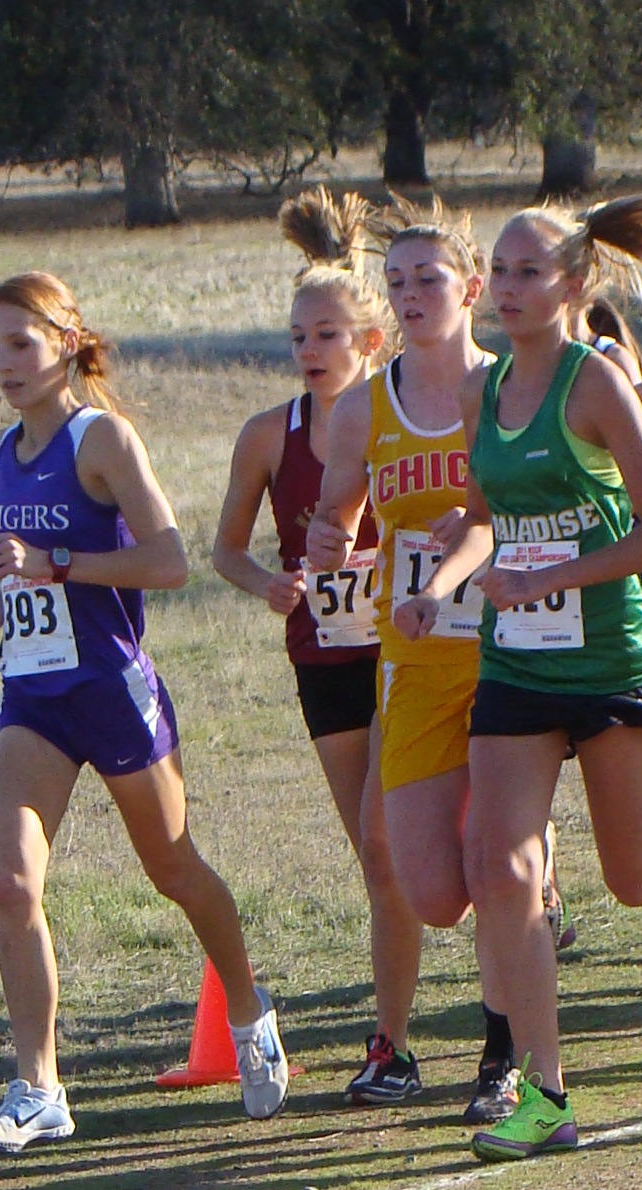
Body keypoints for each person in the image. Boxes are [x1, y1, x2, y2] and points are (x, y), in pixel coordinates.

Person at [404, 193, 642, 1160]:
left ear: (574, 283)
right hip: (515, 664)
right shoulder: (481, 390)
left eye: (529, 271)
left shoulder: (597, 382)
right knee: (503, 870)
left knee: (632, 874)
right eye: (499, 270)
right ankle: (546, 1094)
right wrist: (440, 586)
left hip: (611, 658)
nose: (507, 287)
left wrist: (550, 576)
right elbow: (482, 518)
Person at [0, 272, 288, 1153]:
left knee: (173, 867)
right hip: (35, 696)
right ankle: (38, 1089)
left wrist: (54, 561)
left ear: (66, 342)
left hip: (112, 688)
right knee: (12, 883)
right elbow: (23, 572)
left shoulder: (101, 439)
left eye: (20, 343)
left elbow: (169, 561)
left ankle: (246, 1010)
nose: (4, 363)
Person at [304, 196, 528, 1123]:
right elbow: (336, 514)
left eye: (427, 279)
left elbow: (552, 506)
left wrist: (482, 546)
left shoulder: (514, 389)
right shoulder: (363, 407)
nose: (408, 295)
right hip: (415, 657)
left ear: (470, 290)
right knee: (429, 887)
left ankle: (504, 1054)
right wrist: (325, 540)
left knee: (495, 858)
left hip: (513, 649)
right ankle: (527, 912)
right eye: (394, 282)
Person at [210, 187, 423, 1080]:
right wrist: (268, 582)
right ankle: (396, 1040)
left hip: (410, 647)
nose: (308, 350)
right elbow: (224, 549)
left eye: (326, 334)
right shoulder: (268, 435)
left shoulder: (407, 415)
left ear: (369, 340)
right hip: (323, 653)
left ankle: (390, 1039)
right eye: (298, 336)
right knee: (376, 858)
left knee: (389, 841)